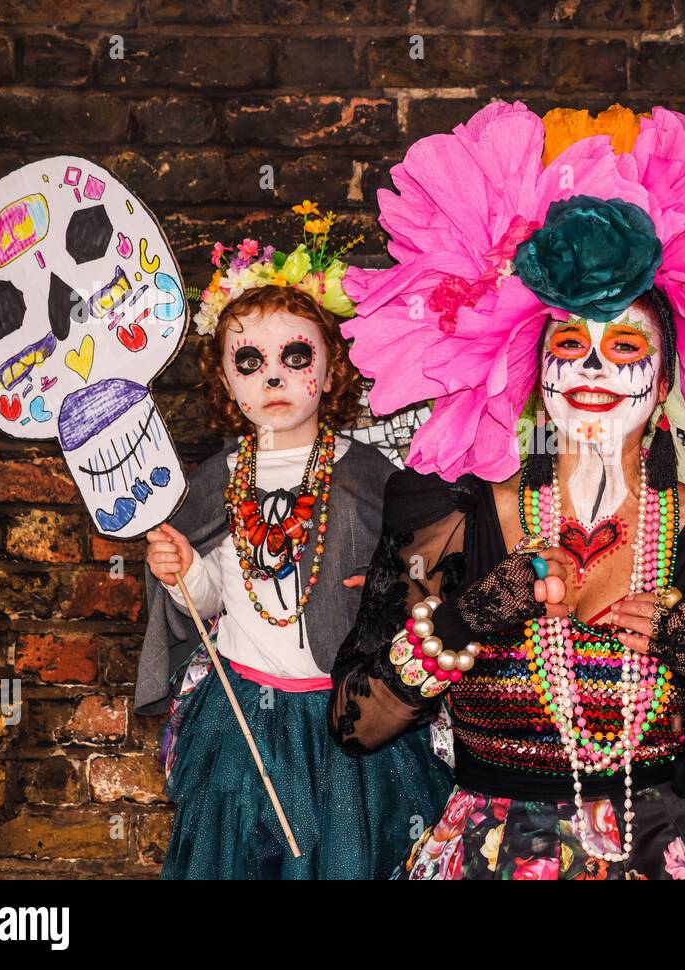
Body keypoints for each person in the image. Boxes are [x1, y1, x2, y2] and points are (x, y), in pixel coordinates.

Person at [326, 100, 685, 879]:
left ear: (664, 379)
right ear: (538, 371)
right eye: (571, 342)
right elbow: (353, 724)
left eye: (625, 345)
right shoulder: (450, 520)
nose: (596, 367)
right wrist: (468, 619)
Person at [136, 204, 452, 879]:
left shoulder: (372, 478)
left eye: (295, 356)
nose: (273, 377)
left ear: (332, 371)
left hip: (347, 719)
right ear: (225, 381)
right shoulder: (217, 481)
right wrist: (183, 570)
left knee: (348, 856)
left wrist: (386, 599)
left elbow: (418, 580)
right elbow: (214, 596)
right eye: (249, 362)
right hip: (246, 713)